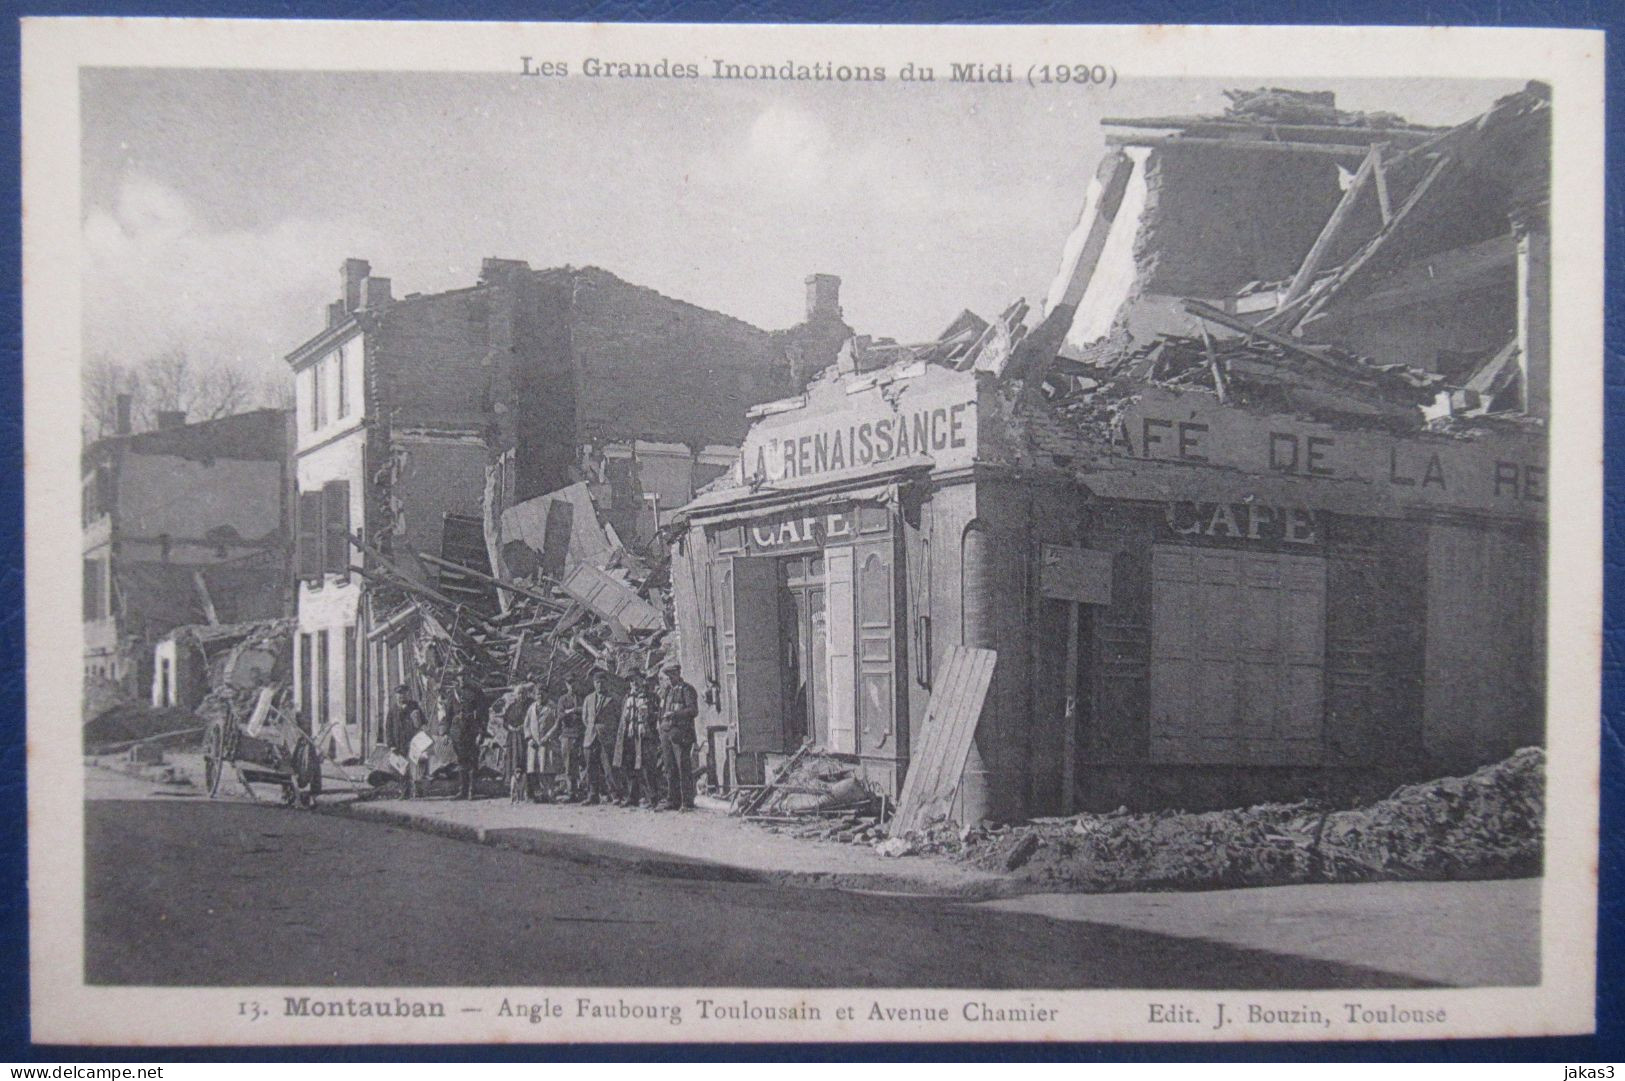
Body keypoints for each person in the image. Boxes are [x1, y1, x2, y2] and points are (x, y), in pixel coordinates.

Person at [616, 674, 663, 809]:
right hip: (630, 736)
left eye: (636, 680)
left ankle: (652, 798)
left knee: (647, 768)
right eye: (631, 681)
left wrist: (649, 715)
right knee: (630, 767)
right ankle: (632, 797)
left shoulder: (652, 697)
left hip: (646, 736)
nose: (634, 683)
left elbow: (658, 715)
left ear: (642, 681)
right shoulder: (627, 698)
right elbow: (624, 718)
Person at [657, 662, 699, 811]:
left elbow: (693, 711)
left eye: (672, 675)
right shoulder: (668, 691)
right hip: (667, 733)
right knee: (670, 768)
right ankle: (672, 800)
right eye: (668, 676)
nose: (670, 679)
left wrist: (675, 714)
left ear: (678, 674)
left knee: (683, 768)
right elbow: (662, 710)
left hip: (681, 734)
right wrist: (661, 724)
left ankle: (687, 802)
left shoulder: (687, 690)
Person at [579, 669, 622, 806]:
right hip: (590, 737)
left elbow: (618, 718)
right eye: (597, 683)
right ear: (594, 684)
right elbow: (585, 718)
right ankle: (592, 795)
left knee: (609, 767)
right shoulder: (588, 698)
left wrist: (607, 730)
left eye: (602, 683)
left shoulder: (614, 699)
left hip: (607, 737)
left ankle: (615, 795)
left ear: (607, 683)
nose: (600, 685)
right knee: (591, 767)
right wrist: (592, 728)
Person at [446, 669, 490, 801]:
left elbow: (483, 714)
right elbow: (448, 714)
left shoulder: (477, 692)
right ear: (457, 678)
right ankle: (462, 791)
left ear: (469, 676)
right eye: (460, 676)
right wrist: (447, 732)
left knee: (472, 761)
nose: (462, 678)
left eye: (464, 675)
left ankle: (472, 790)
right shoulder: (453, 693)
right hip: (457, 732)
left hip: (472, 730)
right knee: (461, 761)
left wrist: (481, 732)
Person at [384, 683, 428, 799]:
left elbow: (423, 723)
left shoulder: (414, 707)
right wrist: (391, 745)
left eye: (403, 694)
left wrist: (420, 728)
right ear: (395, 696)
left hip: (413, 742)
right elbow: (388, 728)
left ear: (407, 695)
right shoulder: (393, 710)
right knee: (402, 769)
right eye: (399, 694)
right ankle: (405, 792)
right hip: (399, 744)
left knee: (416, 767)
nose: (401, 697)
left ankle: (418, 792)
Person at [501, 682, 535, 804]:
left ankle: (528, 792)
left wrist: (523, 727)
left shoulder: (530, 705)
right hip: (513, 738)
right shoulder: (511, 706)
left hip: (524, 737)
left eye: (523, 693)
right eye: (519, 693)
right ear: (515, 695)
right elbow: (504, 721)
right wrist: (510, 727)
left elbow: (532, 720)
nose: (521, 695)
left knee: (525, 762)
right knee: (513, 762)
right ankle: (514, 792)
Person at [526, 690, 562, 803]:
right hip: (534, 744)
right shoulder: (531, 708)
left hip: (548, 743)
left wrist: (548, 736)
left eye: (542, 694)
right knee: (535, 769)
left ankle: (550, 793)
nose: (540, 696)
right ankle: (539, 794)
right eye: (538, 694)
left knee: (548, 769)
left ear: (546, 694)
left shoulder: (552, 707)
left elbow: (557, 723)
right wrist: (529, 738)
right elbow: (526, 725)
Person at [555, 680, 585, 801]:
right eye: (569, 683)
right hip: (567, 734)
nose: (572, 685)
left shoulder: (582, 698)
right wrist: (574, 711)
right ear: (566, 685)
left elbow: (585, 710)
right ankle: (571, 792)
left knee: (582, 763)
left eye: (574, 683)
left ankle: (583, 789)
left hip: (580, 734)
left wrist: (572, 710)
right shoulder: (563, 699)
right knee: (568, 764)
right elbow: (560, 715)